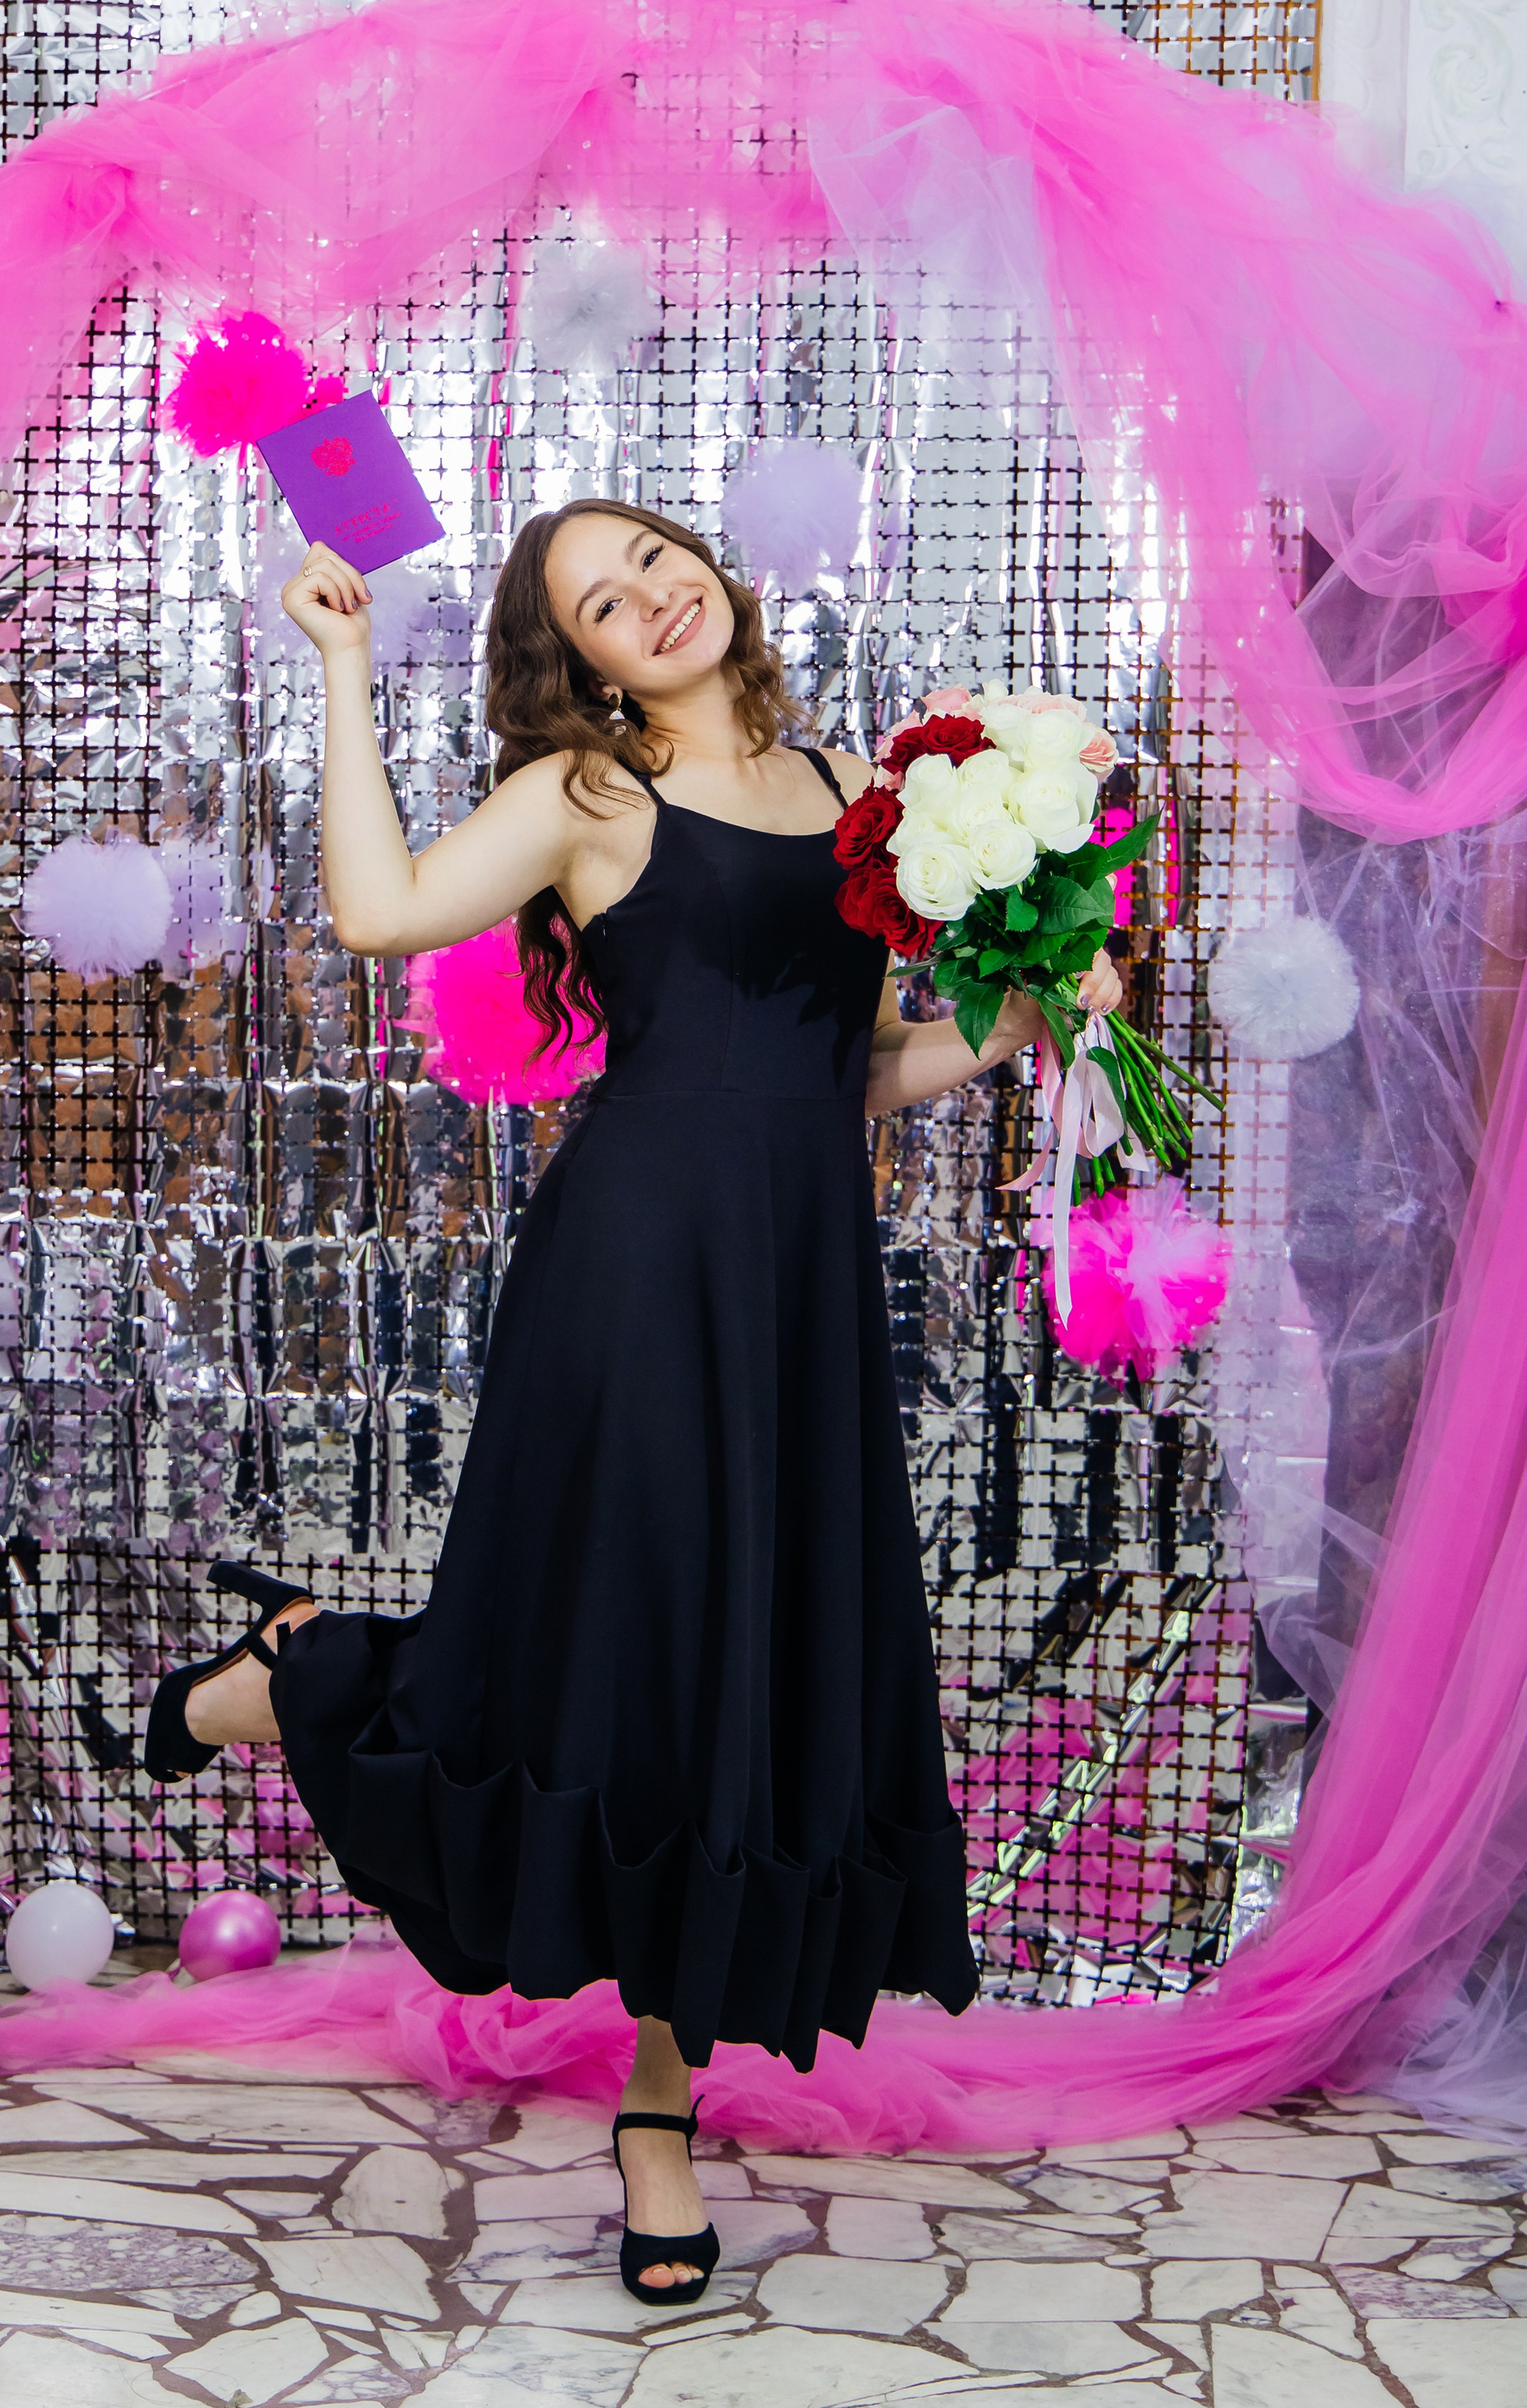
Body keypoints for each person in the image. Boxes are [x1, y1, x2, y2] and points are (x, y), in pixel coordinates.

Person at [145, 499, 1121, 2302]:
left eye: (655, 562)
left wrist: (1023, 1020)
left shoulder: (862, 790)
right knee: (634, 1658)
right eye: (602, 603)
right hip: (637, 1274)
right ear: (582, 661)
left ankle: (656, 2106)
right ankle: (295, 1682)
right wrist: (345, 667)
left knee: (738, 1679)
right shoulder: (589, 797)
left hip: (802, 1287)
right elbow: (376, 912)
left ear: (711, 569)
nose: (650, 600)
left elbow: (846, 1065)